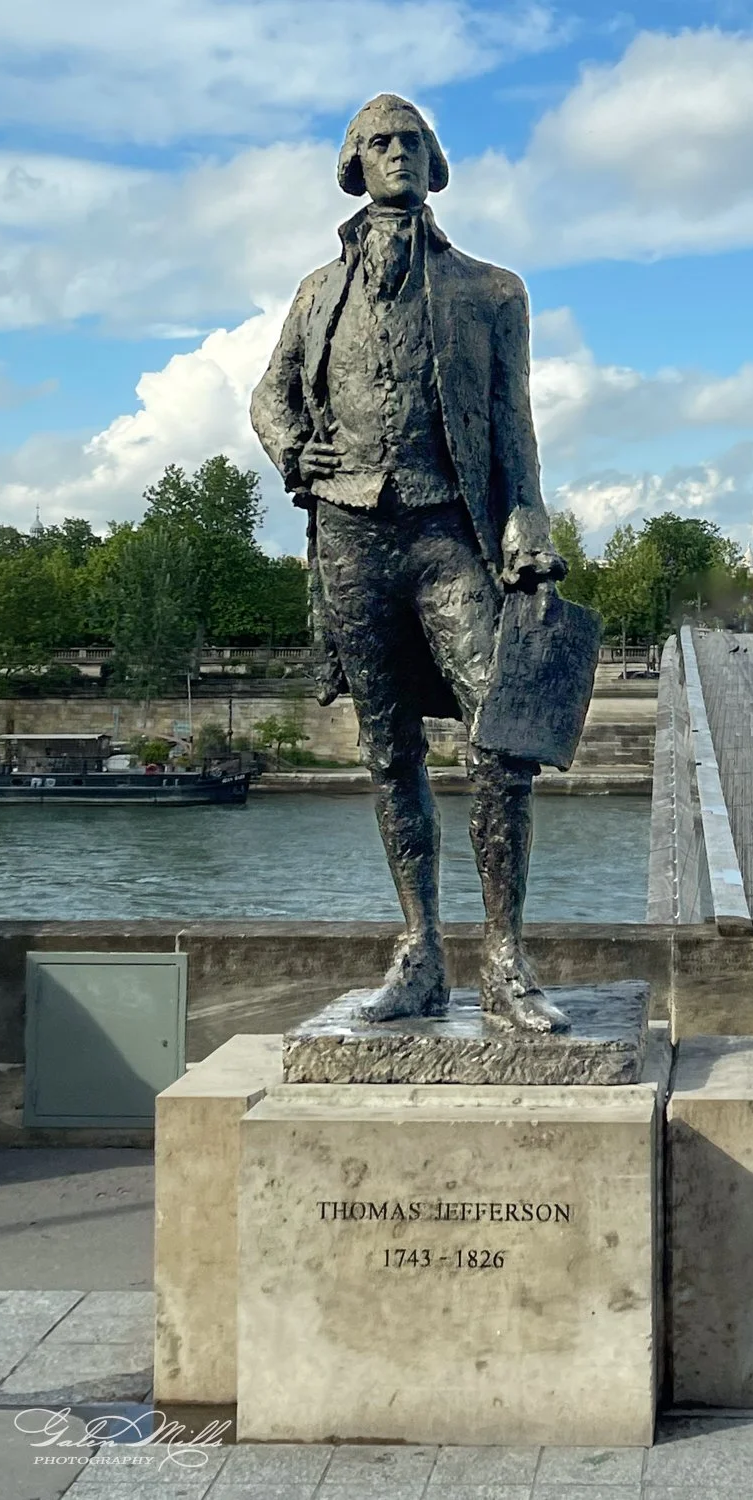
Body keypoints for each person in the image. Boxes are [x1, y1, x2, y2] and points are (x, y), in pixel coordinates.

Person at [251, 94, 569, 1032]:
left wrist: (528, 524)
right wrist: (287, 450)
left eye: (411, 143)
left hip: (445, 533)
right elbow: (269, 396)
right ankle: (420, 952)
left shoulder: (489, 289)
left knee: (500, 740)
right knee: (388, 754)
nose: (396, 154)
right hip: (350, 537)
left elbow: (513, 424)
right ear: (355, 162)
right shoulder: (316, 292)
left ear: (436, 163)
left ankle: (504, 961)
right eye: (379, 143)